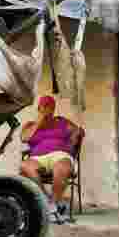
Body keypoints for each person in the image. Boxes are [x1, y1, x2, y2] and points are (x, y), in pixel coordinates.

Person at [20, 95, 83, 223]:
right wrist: (40, 120)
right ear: (39, 108)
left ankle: (52, 206)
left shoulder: (62, 122)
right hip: (37, 157)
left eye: (50, 107)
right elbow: (24, 138)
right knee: (25, 167)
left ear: (54, 109)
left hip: (61, 154)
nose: (47, 110)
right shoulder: (31, 125)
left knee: (61, 168)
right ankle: (50, 204)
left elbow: (79, 131)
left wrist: (74, 137)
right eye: (44, 107)